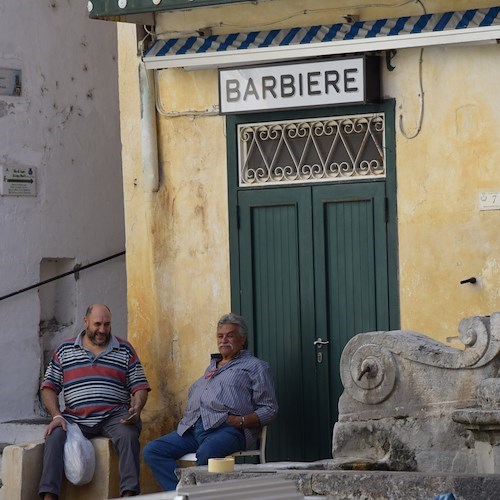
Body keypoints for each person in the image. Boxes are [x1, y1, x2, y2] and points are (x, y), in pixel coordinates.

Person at [143, 312, 278, 491]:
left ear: (242, 339)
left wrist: (240, 421)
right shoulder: (212, 367)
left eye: (230, 335)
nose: (224, 340)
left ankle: (197, 494)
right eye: (220, 336)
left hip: (227, 430)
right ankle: (183, 493)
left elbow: (270, 408)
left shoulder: (255, 367)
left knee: (208, 453)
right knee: (153, 450)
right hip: (193, 429)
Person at [38, 304, 151, 499]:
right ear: (86, 322)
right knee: (54, 435)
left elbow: (140, 385)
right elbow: (48, 387)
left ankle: (129, 494)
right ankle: (49, 495)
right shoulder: (66, 349)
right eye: (97, 324)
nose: (102, 330)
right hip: (75, 418)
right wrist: (56, 415)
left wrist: (137, 408)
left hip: (114, 416)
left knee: (128, 434)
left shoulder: (124, 349)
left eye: (107, 324)